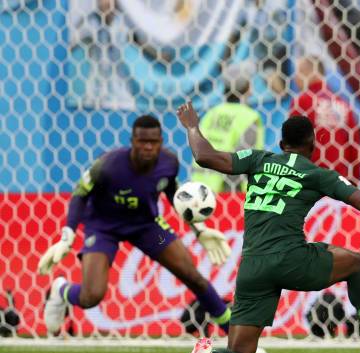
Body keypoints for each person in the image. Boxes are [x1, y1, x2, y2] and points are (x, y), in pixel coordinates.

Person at [177, 101, 360, 353]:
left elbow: (204, 156)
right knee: (359, 265)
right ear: (313, 145)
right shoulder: (318, 174)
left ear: (282, 144)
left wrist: (192, 126)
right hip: (292, 260)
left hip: (252, 266)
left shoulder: (257, 159)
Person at [38, 115, 232, 335]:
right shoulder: (108, 165)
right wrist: (67, 236)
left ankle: (233, 333)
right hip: (103, 228)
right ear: (132, 141)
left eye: (154, 142)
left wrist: (200, 229)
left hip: (147, 228)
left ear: (161, 141)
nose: (148, 146)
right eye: (142, 141)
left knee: (192, 275)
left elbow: (173, 194)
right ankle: (61, 290)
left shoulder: (169, 163)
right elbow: (79, 194)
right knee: (91, 296)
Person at [289, 56, 360, 185]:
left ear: (309, 72)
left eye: (298, 72)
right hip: (340, 186)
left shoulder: (302, 101)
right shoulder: (342, 104)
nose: (295, 78)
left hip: (311, 185)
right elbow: (354, 148)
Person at [192, 71, 264, 193]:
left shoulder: (212, 113)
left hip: (201, 189)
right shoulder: (249, 117)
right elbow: (241, 160)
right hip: (230, 191)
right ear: (247, 88)